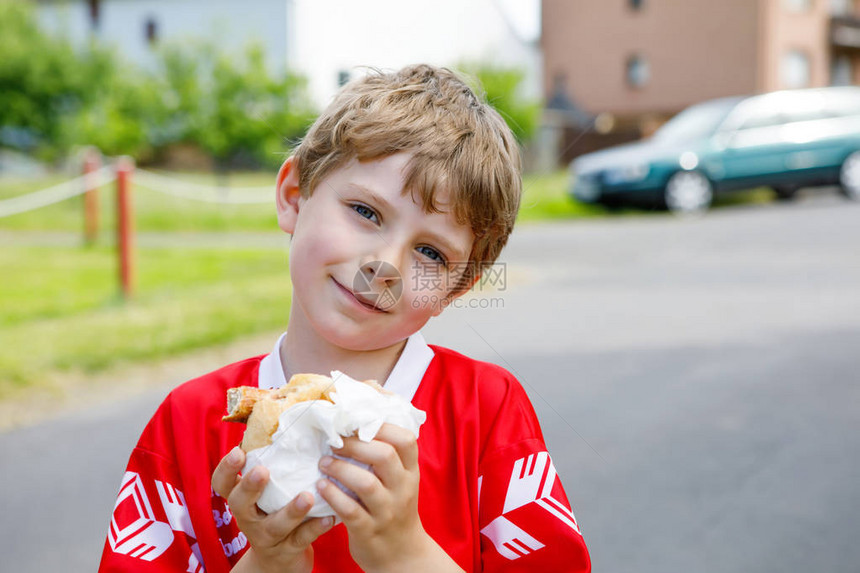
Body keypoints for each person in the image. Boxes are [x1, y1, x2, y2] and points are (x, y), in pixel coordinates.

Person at [98, 64, 591, 573]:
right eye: (366, 212)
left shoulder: (487, 413)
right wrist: (265, 564)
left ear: (456, 288)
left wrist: (403, 551)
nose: (386, 266)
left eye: (431, 253)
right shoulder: (188, 424)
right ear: (294, 196)